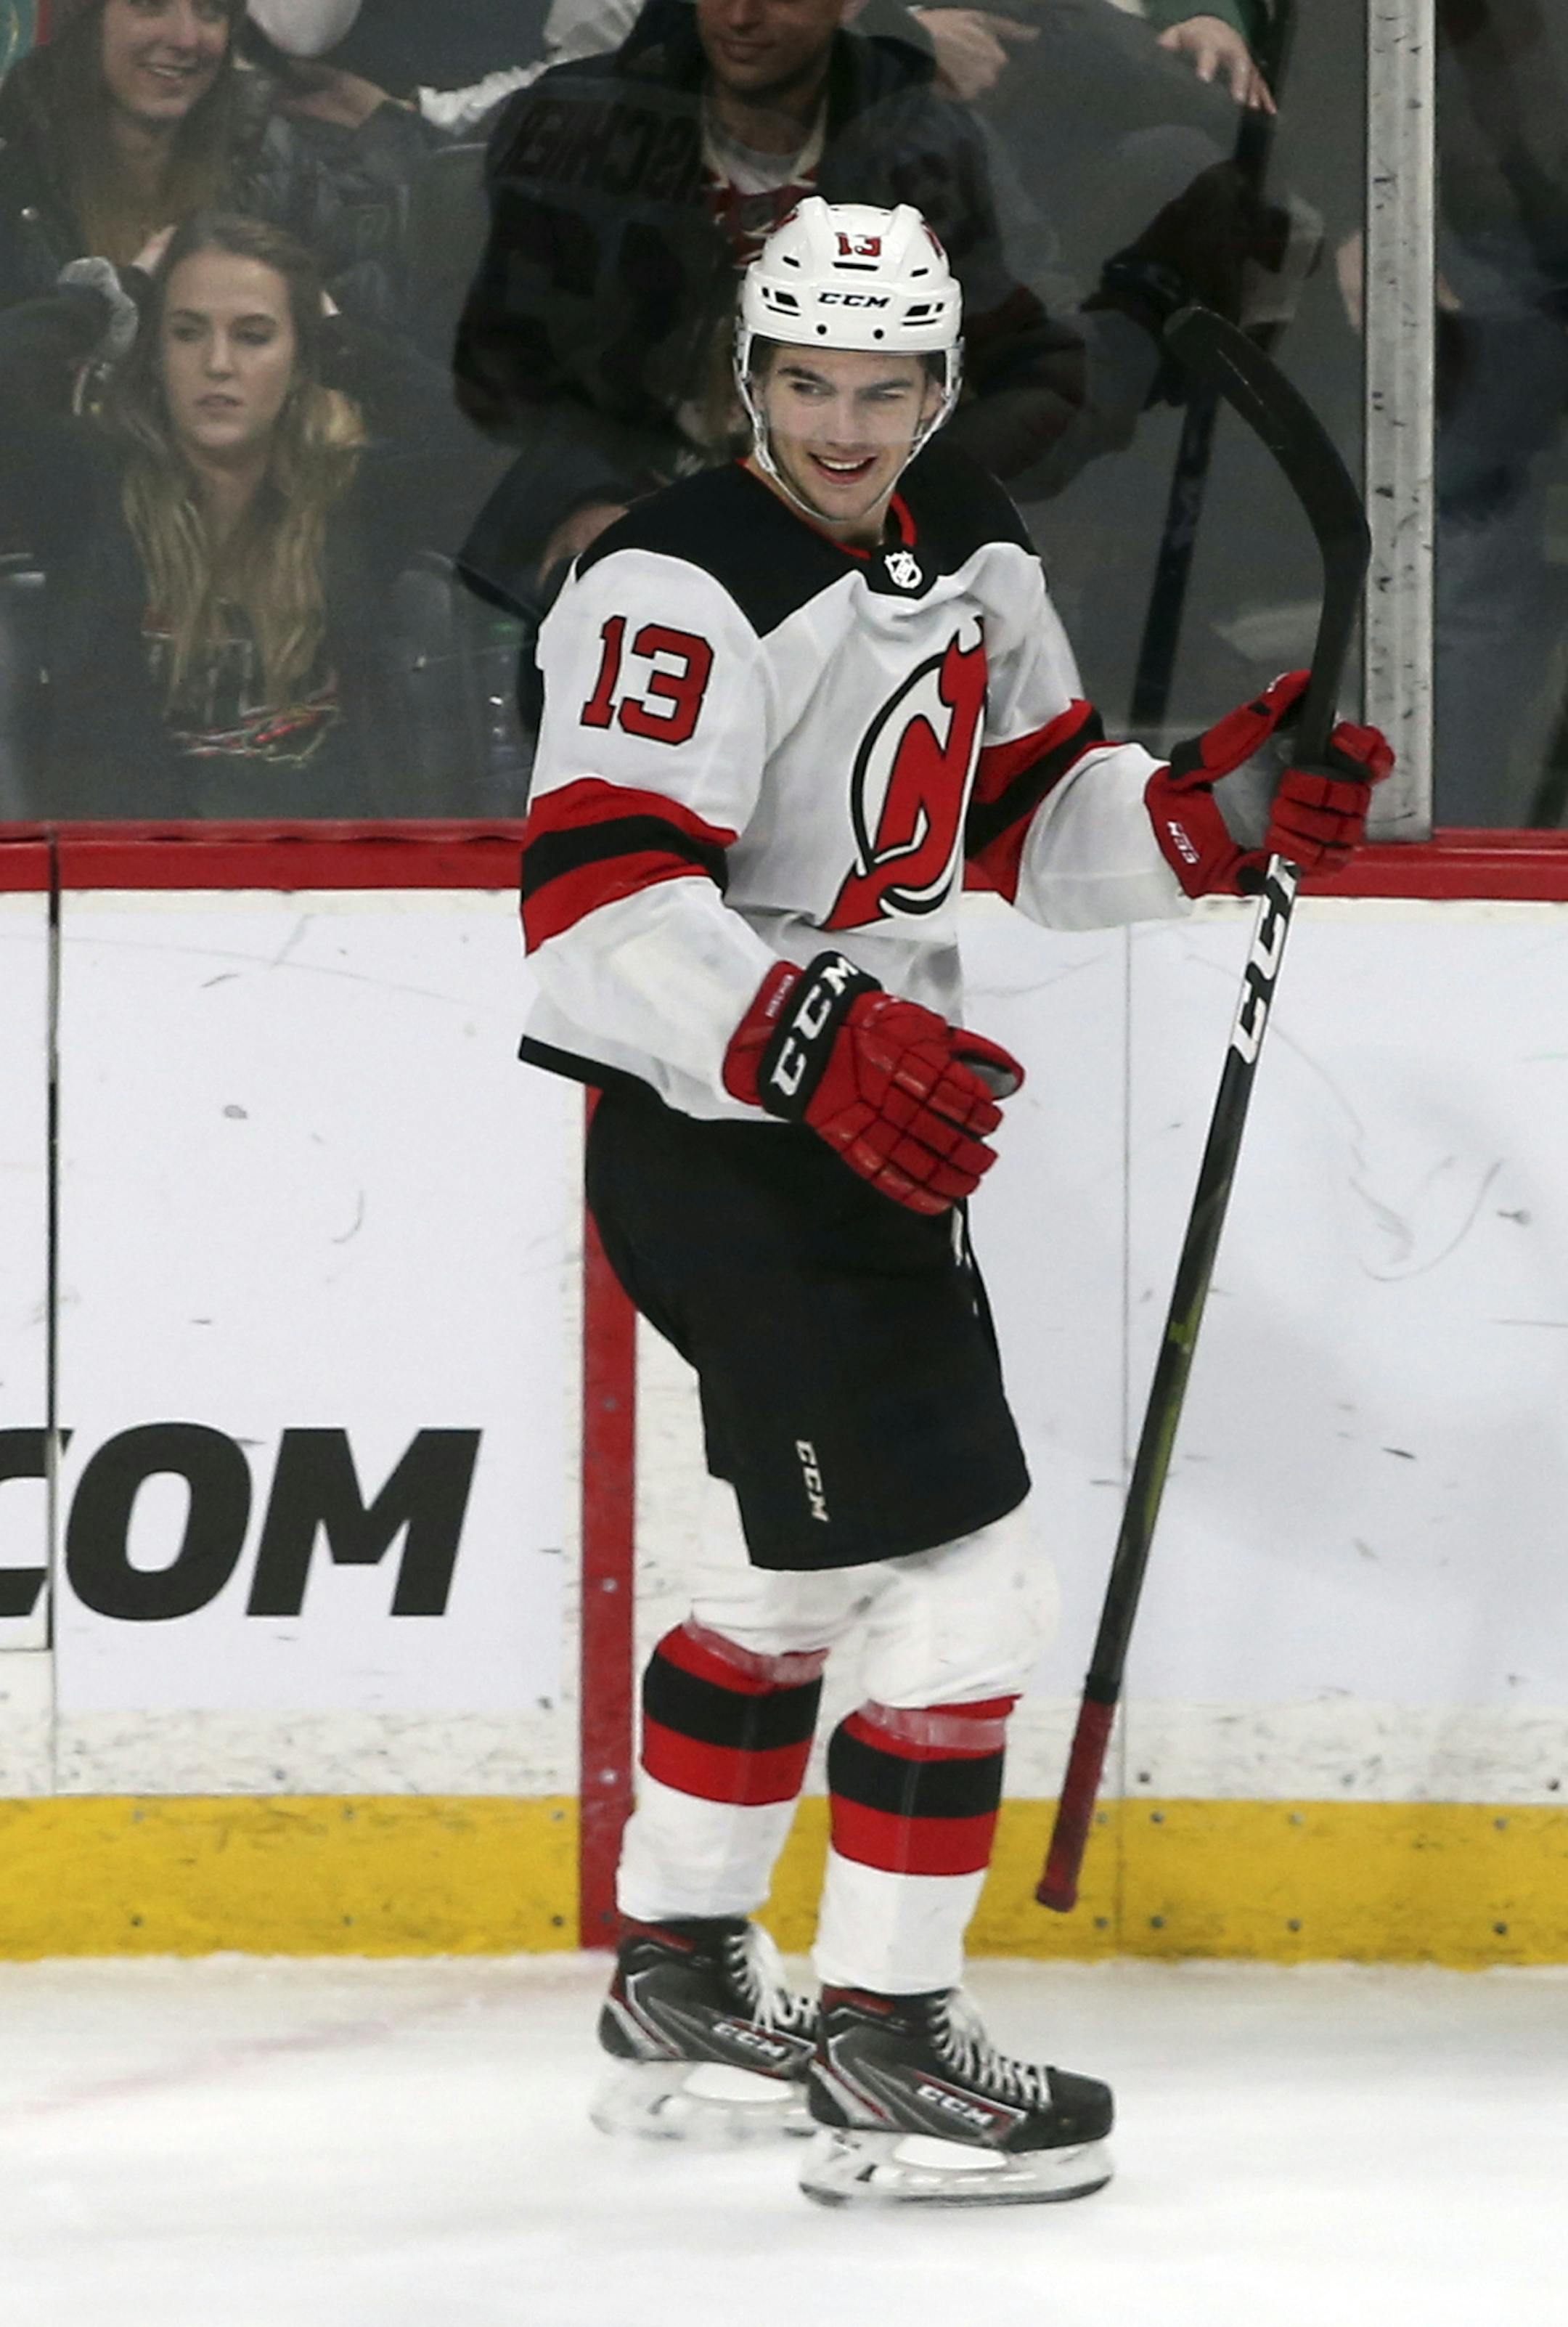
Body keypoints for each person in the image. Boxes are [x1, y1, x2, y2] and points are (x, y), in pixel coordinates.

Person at [515, 196, 1392, 2205]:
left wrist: (1197, 819)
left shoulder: (962, 538)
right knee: (971, 1570)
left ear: (937, 383)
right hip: (734, 1137)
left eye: (886, 386)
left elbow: (1015, 810)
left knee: (806, 1572)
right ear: (754, 379)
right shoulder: (674, 581)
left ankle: (678, 1968)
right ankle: (891, 2037)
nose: (846, 422)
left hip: (855, 1132)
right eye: (809, 384)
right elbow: (594, 907)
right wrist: (809, 1030)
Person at [0, 209, 481, 814]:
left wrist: (343, 343)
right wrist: (109, 298)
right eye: (187, 332)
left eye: (253, 335)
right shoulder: (87, 487)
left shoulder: (356, 496)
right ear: (152, 353)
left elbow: (480, 441)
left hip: (335, 883)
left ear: (300, 360)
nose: (218, 364)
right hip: (132, 885)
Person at [0, 0, 433, 321]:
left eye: (211, 10)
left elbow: (364, 333)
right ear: (85, 19)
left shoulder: (270, 153)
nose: (187, 39)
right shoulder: (18, 168)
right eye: (152, 5)